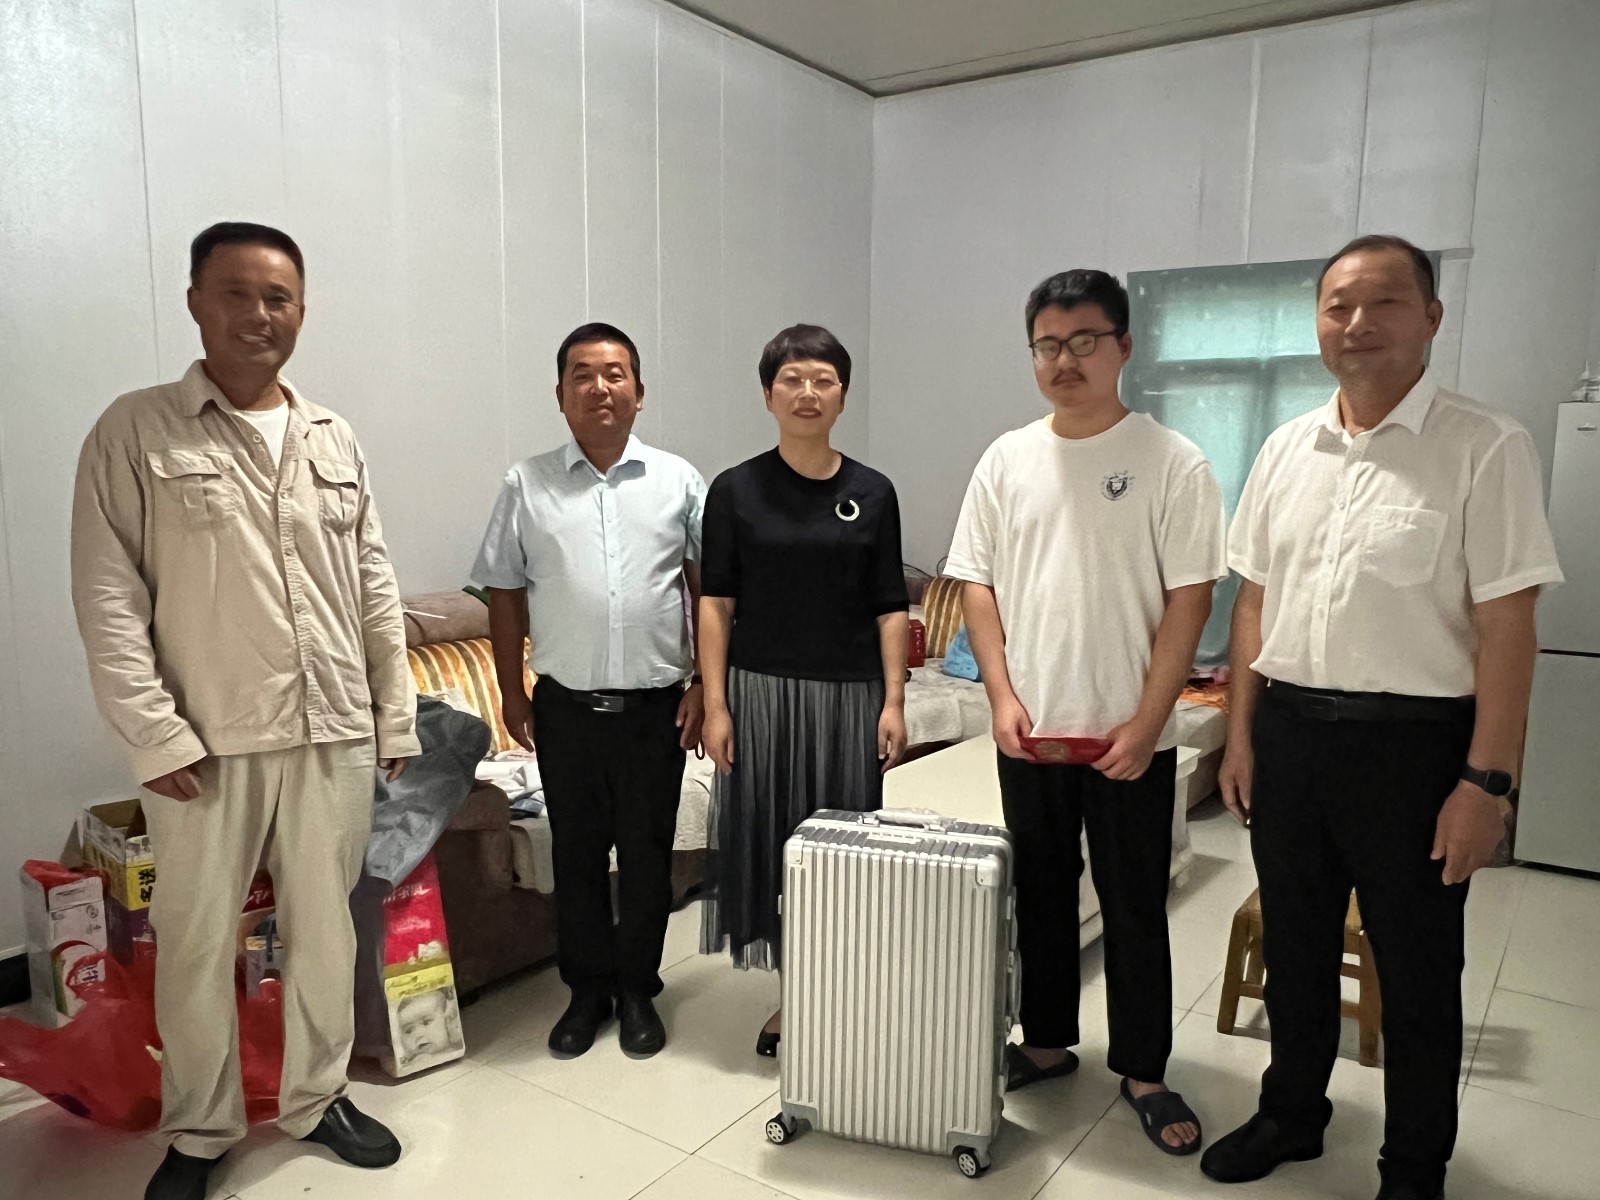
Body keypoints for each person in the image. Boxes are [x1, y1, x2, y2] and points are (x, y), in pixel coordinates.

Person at [1200, 235, 1563, 1200]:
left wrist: (1487, 784)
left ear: (1431, 318)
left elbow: (1509, 627)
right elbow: (1252, 603)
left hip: (1416, 751)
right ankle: (1292, 1115)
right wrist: (1239, 736)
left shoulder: (1485, 445)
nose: (1358, 323)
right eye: (1338, 306)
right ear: (1318, 322)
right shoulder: (1286, 448)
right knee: (1297, 945)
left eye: (1385, 302)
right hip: (1289, 737)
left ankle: (1413, 1166)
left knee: (1417, 970)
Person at [71, 222, 418, 1200]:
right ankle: (201, 1129)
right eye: (236, 293)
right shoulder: (136, 431)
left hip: (332, 730)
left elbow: (374, 584)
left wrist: (393, 714)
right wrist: (152, 734)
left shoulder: (331, 436)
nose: (259, 315)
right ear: (195, 301)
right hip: (206, 742)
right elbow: (107, 596)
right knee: (192, 943)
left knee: (326, 933)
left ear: (301, 311)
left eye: (278, 298)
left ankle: (317, 1096)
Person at [946, 269, 1225, 1155]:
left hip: (1128, 736)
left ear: (1123, 347)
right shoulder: (1006, 459)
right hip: (1031, 734)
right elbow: (977, 585)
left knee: (1136, 901)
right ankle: (1047, 1042)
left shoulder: (1173, 461)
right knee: (1039, 891)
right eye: (1047, 345)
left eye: (1084, 342)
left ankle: (1143, 1069)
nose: (1064, 360)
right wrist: (1000, 698)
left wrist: (1148, 723)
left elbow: (1191, 599)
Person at [473, 322, 706, 1060]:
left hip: (655, 711)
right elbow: (504, 592)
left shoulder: (679, 481)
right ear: (560, 393)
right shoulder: (526, 483)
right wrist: (512, 693)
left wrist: (707, 683)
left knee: (646, 855)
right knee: (575, 855)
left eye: (614, 374)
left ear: (639, 391)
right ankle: (586, 992)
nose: (599, 388)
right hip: (566, 711)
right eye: (582, 374)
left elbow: (709, 593)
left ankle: (637, 989)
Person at [698, 324, 909, 1056]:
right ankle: (797, 997)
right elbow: (716, 604)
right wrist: (716, 704)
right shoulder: (734, 490)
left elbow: (890, 605)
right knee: (773, 843)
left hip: (849, 697)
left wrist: (894, 700)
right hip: (760, 696)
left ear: (843, 395)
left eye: (823, 380)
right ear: (768, 395)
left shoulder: (873, 492)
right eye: (791, 379)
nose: (807, 392)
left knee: (843, 847)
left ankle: (843, 987)